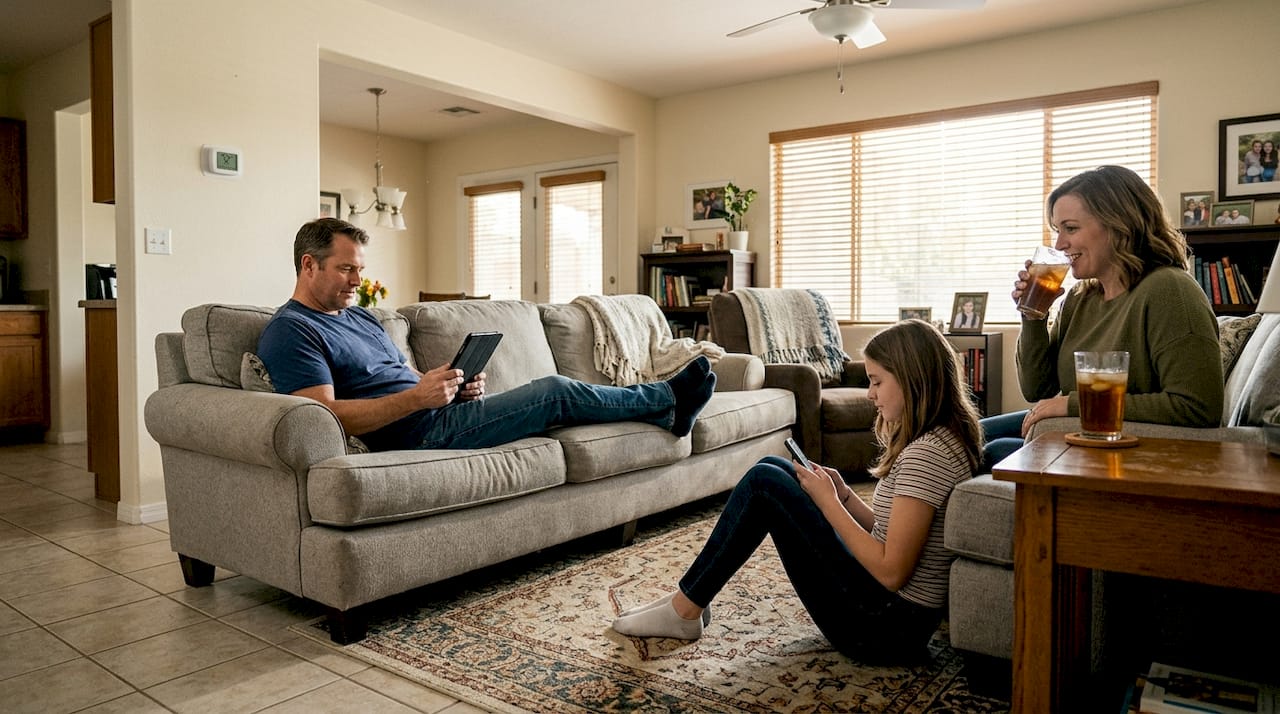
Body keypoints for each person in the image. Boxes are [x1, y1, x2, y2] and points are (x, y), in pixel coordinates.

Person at [610, 319, 983, 664]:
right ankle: (688, 601)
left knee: (765, 484)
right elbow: (892, 531)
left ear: (912, 379)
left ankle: (685, 610)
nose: (870, 394)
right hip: (891, 614)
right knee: (774, 468)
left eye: (876, 381)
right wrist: (846, 497)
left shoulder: (926, 456)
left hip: (884, 629)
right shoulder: (940, 440)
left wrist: (828, 503)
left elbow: (890, 571)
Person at [257, 218, 718, 452]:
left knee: (551, 398)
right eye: (345, 269)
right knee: (553, 393)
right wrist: (419, 400)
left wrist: (448, 388)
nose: (357, 281)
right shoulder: (292, 330)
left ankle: (664, 411)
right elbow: (323, 417)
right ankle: (665, 400)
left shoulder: (361, 318)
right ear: (308, 265)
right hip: (414, 436)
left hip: (434, 415)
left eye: (360, 270)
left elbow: (404, 378)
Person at [979, 165, 1223, 471]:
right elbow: (1036, 389)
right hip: (1081, 432)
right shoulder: (1080, 298)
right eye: (1057, 231)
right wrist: (1033, 315)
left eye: (1070, 228)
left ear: (1119, 225)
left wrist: (1070, 404)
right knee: (967, 433)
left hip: (1130, 448)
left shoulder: (1169, 290)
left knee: (994, 450)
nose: (1059, 245)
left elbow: (1198, 407)